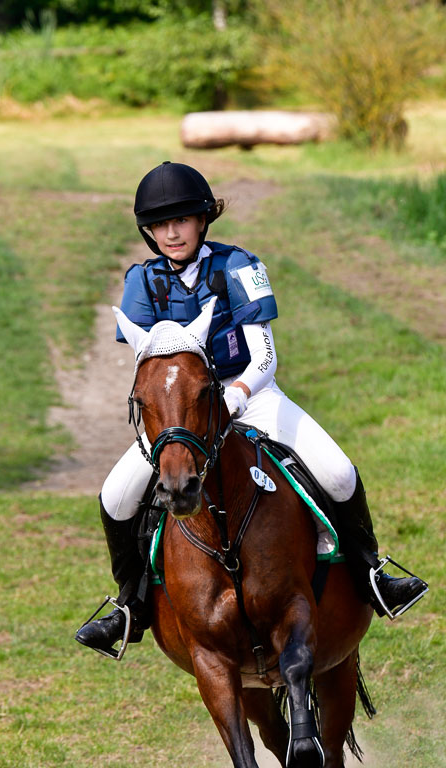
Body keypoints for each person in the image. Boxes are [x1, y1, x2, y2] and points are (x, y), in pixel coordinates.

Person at [76, 161, 426, 655]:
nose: (171, 233)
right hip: (182, 414)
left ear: (202, 220)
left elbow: (264, 354)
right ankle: (129, 606)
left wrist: (235, 396)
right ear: (149, 232)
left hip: (249, 395)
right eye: (160, 225)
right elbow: (147, 364)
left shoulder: (237, 266)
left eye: (181, 221)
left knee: (339, 472)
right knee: (115, 496)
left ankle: (372, 574)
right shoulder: (142, 282)